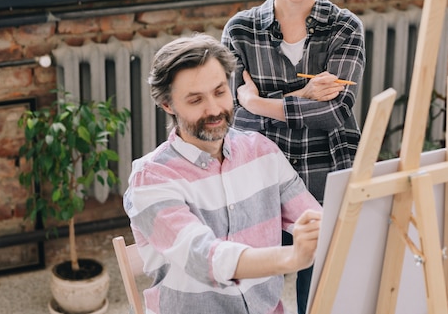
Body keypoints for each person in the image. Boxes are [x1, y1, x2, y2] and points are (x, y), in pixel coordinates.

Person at [221, 0, 365, 313]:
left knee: (319, 295)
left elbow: (336, 112)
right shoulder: (240, 30)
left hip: (327, 172)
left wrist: (259, 100)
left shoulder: (345, 27)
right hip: (259, 180)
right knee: (253, 292)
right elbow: (236, 118)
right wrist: (304, 94)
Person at [123, 34, 322, 314]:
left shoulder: (262, 152)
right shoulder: (151, 178)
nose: (214, 109)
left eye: (219, 92)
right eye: (195, 100)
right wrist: (292, 257)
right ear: (168, 105)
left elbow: (313, 218)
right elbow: (205, 257)